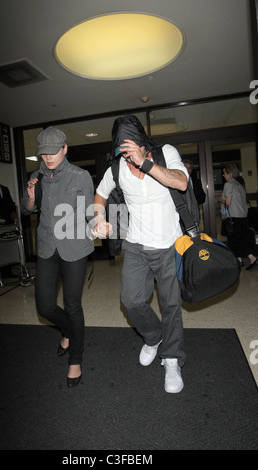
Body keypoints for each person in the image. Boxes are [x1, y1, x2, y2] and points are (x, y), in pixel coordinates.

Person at [93, 115, 188, 394]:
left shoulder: (165, 153)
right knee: (131, 302)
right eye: (121, 148)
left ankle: (172, 359)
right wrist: (97, 219)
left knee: (171, 305)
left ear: (143, 142)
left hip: (170, 244)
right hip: (135, 246)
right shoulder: (116, 168)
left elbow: (181, 182)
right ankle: (153, 336)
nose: (127, 153)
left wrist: (145, 163)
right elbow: (99, 195)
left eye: (130, 146)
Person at [20, 127, 94, 387]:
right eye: (43, 153)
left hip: (74, 248)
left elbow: (90, 211)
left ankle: (76, 358)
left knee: (73, 304)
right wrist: (30, 199)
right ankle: (67, 330)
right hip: (47, 247)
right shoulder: (36, 177)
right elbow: (28, 209)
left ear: (65, 149)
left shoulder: (80, 176)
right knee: (45, 306)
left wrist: (100, 224)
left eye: (54, 151)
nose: (48, 157)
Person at [220, 164, 257, 270]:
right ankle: (239, 260)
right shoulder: (240, 185)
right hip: (242, 217)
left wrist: (220, 200)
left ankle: (252, 258)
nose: (223, 175)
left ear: (229, 174)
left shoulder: (228, 185)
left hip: (233, 217)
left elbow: (228, 202)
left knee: (234, 240)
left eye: (225, 173)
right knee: (239, 239)